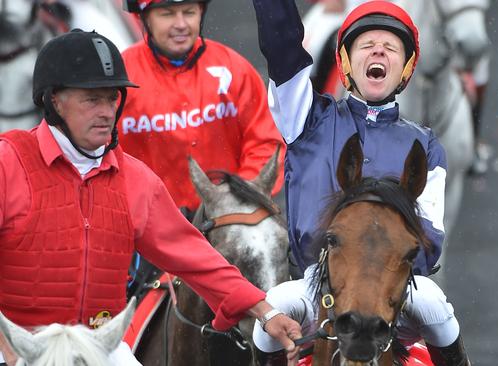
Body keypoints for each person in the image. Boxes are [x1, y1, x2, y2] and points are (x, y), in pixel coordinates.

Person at [0, 30, 301, 366]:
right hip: (19, 344)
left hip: (102, 346)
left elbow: (195, 258)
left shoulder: (136, 179)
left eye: (112, 98)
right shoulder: (7, 162)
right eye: (91, 99)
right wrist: (8, 346)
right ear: (54, 100)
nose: (106, 111)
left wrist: (264, 310)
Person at [250, 1, 470, 365]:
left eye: (391, 47)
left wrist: (384, 266)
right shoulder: (306, 119)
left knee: (438, 310)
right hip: (316, 282)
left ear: (406, 67)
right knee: (269, 315)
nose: (379, 50)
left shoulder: (426, 145)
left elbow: (430, 238)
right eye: (367, 45)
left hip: (394, 287)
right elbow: (282, 45)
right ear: (348, 63)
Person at [118, 0, 286, 216]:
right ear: (143, 18)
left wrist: (234, 198)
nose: (180, 24)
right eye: (167, 14)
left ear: (201, 14)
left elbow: (266, 145)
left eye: (189, 13)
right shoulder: (122, 78)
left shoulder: (235, 69)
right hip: (147, 222)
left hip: (230, 216)